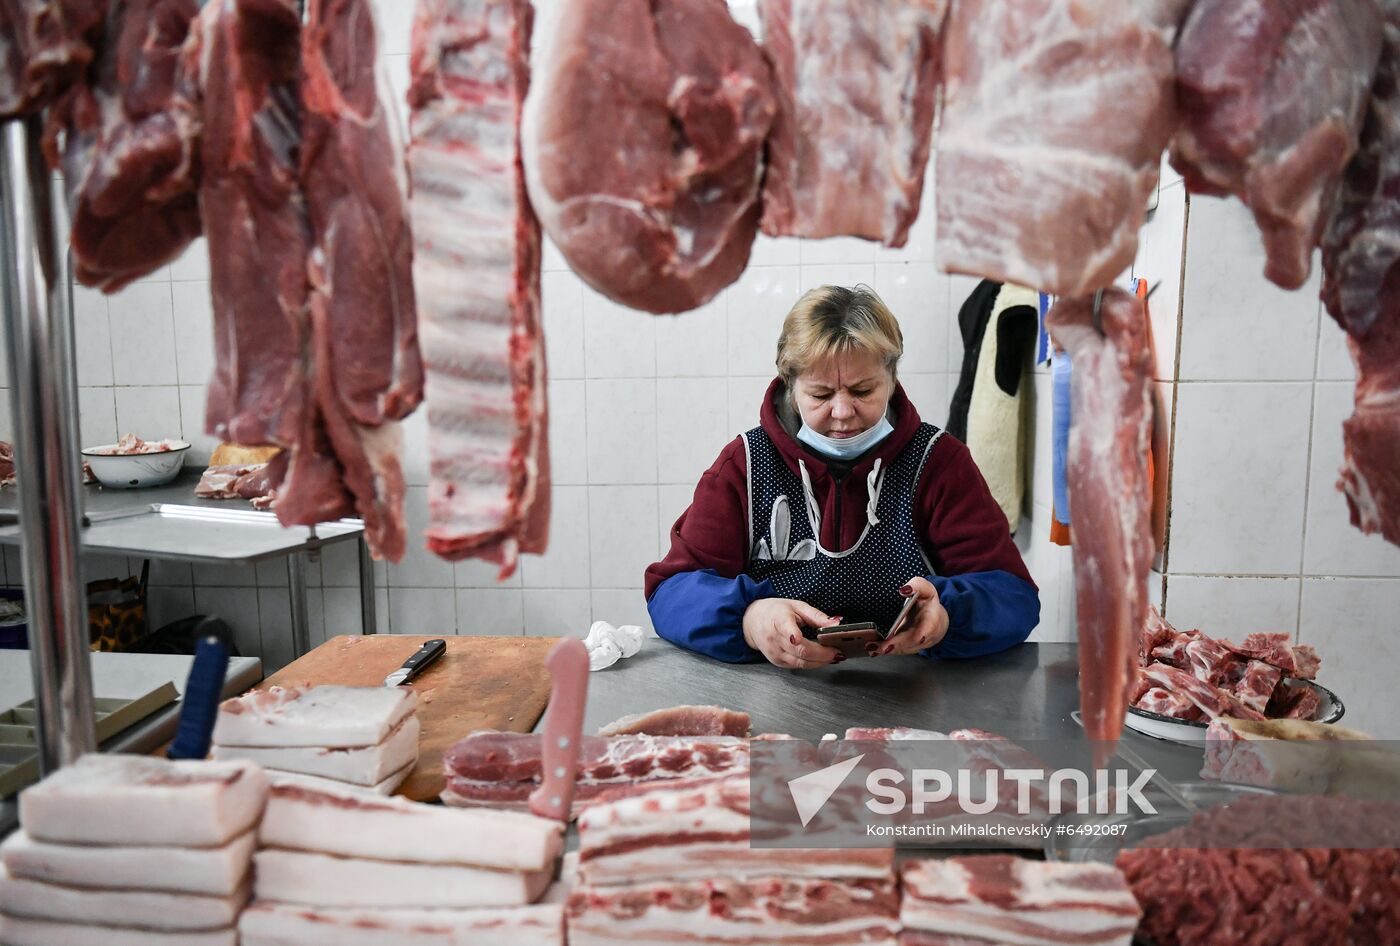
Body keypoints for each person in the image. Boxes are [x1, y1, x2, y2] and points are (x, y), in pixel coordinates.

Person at [644, 284, 1040, 669]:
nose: (842, 412)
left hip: (911, 694)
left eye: (863, 390)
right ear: (790, 385)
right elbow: (671, 592)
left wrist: (950, 614)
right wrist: (749, 620)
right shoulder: (744, 465)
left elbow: (1013, 596)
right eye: (819, 395)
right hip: (774, 695)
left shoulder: (938, 462)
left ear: (892, 377)